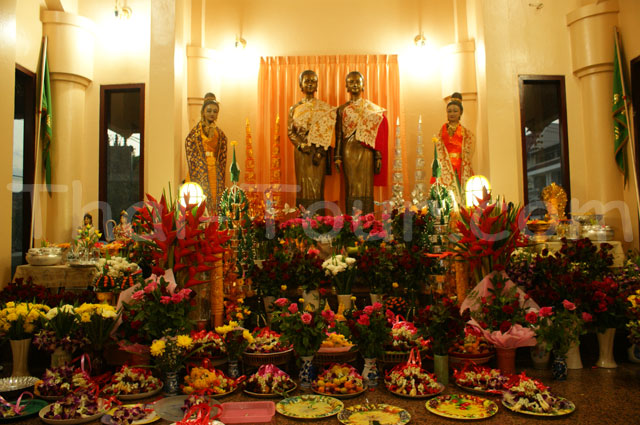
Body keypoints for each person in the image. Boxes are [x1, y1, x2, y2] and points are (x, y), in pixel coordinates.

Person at [335, 71, 388, 214]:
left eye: (357, 82)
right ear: (346, 86)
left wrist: (378, 155)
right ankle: (352, 220)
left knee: (366, 185)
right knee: (352, 186)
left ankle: (368, 220)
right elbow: (339, 135)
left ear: (363, 85)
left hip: (366, 150)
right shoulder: (342, 109)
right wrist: (337, 156)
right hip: (348, 149)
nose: (354, 85)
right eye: (351, 82)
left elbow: (376, 135)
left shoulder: (371, 109)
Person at [287, 70, 336, 210]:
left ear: (317, 85)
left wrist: (320, 152)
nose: (310, 84)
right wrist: (300, 145)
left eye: (313, 81)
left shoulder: (325, 108)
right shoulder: (294, 108)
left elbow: (329, 133)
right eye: (306, 81)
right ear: (300, 85)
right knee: (303, 186)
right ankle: (302, 218)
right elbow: (290, 132)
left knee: (317, 186)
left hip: (318, 153)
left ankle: (319, 219)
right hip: (301, 152)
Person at [185, 93, 228, 215]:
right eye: (209, 111)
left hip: (214, 168)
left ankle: (214, 222)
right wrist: (199, 161)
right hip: (199, 168)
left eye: (215, 111)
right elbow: (190, 145)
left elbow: (222, 149)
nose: (212, 114)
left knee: (214, 196)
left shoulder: (219, 133)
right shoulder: (196, 132)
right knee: (198, 197)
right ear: (203, 112)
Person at [432, 92, 474, 207]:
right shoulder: (442, 130)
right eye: (449, 111)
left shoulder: (466, 132)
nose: (452, 113)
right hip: (445, 164)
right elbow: (439, 147)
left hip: (460, 165)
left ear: (460, 113)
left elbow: (469, 149)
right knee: (446, 193)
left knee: (461, 190)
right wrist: (441, 162)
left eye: (455, 111)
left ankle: (461, 211)